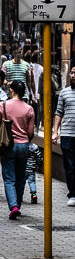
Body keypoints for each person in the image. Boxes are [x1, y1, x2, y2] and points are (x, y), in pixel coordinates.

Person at [0, 81, 35, 220]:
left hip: (8, 145)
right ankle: (18, 203)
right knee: (21, 176)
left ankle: (14, 206)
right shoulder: (29, 108)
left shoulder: (3, 105)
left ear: (11, 90)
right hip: (24, 145)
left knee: (9, 178)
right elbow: (30, 132)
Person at [52, 66, 75, 206]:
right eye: (72, 73)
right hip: (67, 134)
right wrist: (55, 132)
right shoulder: (64, 93)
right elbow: (58, 112)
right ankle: (72, 194)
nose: (73, 75)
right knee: (70, 166)